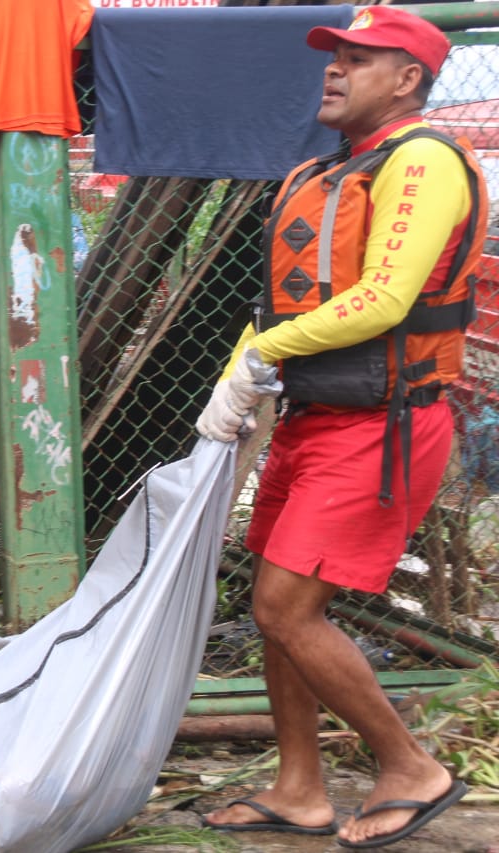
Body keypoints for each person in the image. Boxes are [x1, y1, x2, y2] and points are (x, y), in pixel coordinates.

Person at [195, 7, 487, 850]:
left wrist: (259, 355)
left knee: (289, 607)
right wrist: (248, 370)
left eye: (360, 59)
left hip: (382, 424)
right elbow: (302, 300)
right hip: (317, 415)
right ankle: (299, 789)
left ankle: (411, 766)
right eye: (334, 55)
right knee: (271, 605)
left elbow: (386, 299)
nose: (335, 68)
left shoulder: (423, 160)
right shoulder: (339, 167)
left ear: (408, 80)